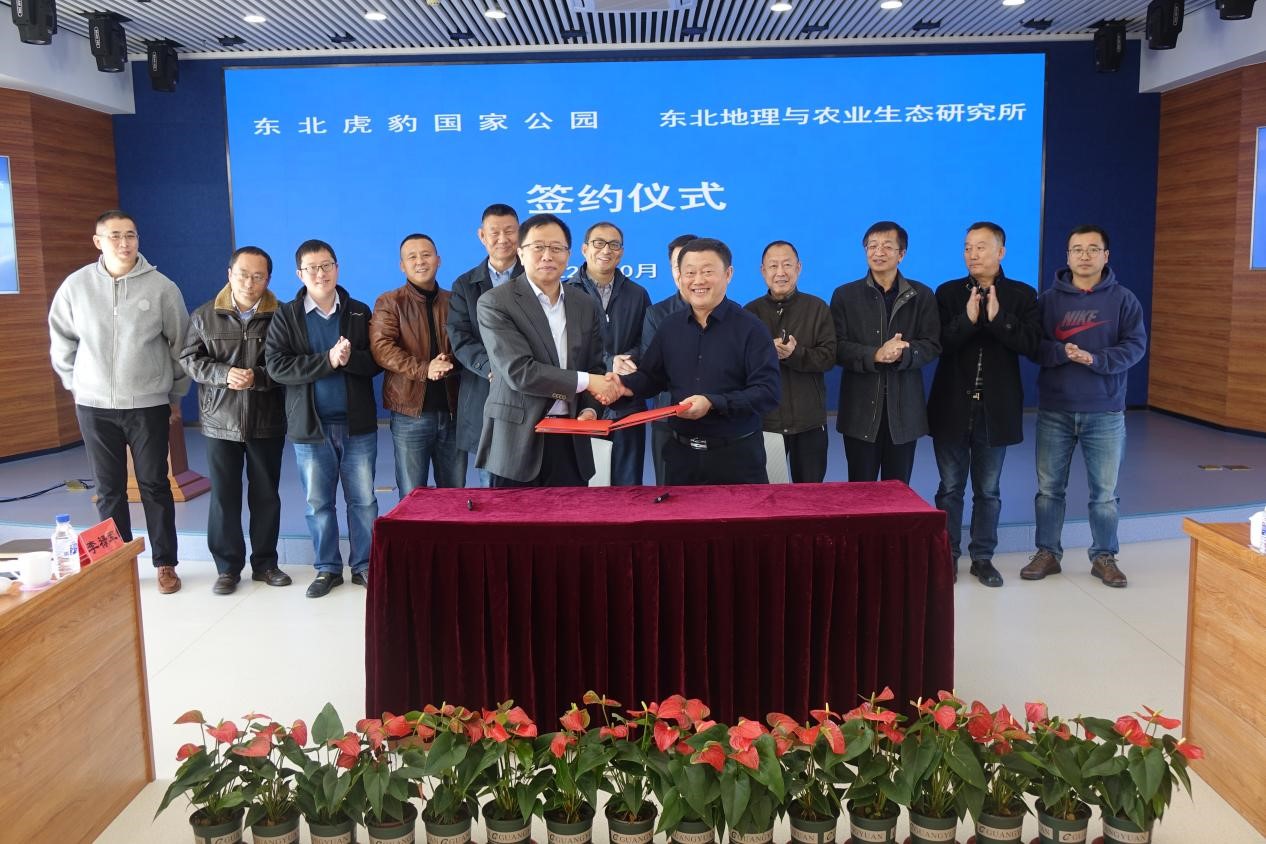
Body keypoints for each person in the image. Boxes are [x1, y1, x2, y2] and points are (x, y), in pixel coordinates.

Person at [48, 210, 189, 594]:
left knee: (154, 485)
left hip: (147, 404)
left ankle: (165, 564)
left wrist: (175, 394)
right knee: (109, 489)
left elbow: (181, 345)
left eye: (131, 235)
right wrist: (75, 384)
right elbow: (61, 339)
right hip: (94, 406)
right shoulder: (76, 286)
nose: (124, 243)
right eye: (115, 236)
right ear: (98, 241)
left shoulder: (162, 287)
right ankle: (117, 565)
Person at [1021, 225, 1147, 588]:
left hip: (1105, 411)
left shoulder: (1124, 299)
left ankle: (1104, 556)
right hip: (1055, 410)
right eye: (1077, 249)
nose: (1085, 256)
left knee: (1104, 494)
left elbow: (1135, 347)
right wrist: (1062, 352)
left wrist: (1096, 360)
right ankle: (1047, 553)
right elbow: (1034, 346)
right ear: (1067, 256)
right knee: (1049, 490)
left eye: (1093, 249)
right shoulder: (1048, 301)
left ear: (1106, 256)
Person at [265, 239, 382, 598]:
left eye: (326, 265)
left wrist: (349, 359)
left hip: (357, 426)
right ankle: (327, 568)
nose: (321, 273)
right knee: (318, 504)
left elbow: (376, 362)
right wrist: (327, 361)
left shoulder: (359, 311)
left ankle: (364, 565)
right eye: (312, 268)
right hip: (311, 428)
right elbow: (278, 367)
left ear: (337, 268)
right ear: (299, 274)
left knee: (363, 502)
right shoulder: (286, 315)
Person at [927, 223, 1041, 588]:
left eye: (981, 247)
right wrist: (968, 319)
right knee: (949, 488)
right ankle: (946, 555)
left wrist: (998, 318)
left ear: (1001, 252)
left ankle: (982, 558)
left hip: (996, 409)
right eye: (967, 247)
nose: (972, 254)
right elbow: (938, 344)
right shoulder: (947, 293)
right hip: (951, 407)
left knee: (988, 490)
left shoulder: (1022, 295)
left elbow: (1032, 345)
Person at [619, 237, 780, 485]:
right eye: (690, 273)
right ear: (679, 276)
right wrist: (623, 385)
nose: (698, 281)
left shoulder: (752, 328)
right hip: (681, 459)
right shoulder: (670, 327)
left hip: (737, 459)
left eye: (707, 272)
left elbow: (767, 392)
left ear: (728, 274)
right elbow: (651, 377)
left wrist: (713, 403)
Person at [474, 213, 619, 486]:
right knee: (513, 515)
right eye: (538, 247)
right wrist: (590, 381)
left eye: (556, 248)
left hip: (570, 439)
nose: (547, 256)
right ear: (521, 252)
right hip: (517, 442)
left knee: (570, 513)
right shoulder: (496, 303)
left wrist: (590, 410)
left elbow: (594, 366)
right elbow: (520, 372)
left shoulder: (585, 304)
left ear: (569, 254)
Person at [180, 246, 291, 594]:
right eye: (243, 274)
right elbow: (189, 359)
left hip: (267, 418)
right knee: (224, 497)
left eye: (258, 276)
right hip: (220, 421)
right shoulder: (204, 315)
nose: (249, 282)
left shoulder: (282, 316)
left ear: (268, 279)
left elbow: (289, 364)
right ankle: (227, 569)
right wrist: (224, 374)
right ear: (229, 274)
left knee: (266, 495)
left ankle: (266, 564)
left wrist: (258, 377)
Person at [831, 221, 940, 484]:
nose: (878, 252)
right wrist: (875, 355)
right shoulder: (845, 295)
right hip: (859, 413)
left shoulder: (922, 295)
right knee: (860, 491)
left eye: (887, 247)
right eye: (872, 246)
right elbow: (836, 347)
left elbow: (932, 344)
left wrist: (904, 353)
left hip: (904, 414)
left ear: (901, 254)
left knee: (898, 491)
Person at [370, 233, 461, 496]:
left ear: (438, 260)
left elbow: (468, 343)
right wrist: (424, 369)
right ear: (402, 265)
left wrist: (450, 362)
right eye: (412, 257)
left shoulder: (455, 300)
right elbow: (382, 348)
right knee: (412, 496)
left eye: (426, 255)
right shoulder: (390, 302)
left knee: (454, 494)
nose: (420, 261)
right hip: (410, 414)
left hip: (454, 412)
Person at [565, 221, 651, 486]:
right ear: (584, 249)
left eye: (614, 245)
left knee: (628, 488)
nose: (606, 250)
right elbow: (564, 346)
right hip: (581, 403)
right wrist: (609, 361)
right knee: (583, 489)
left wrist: (627, 361)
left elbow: (647, 342)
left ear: (621, 252)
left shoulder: (637, 294)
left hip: (627, 405)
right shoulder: (566, 292)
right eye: (598, 243)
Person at [744, 240, 836, 483]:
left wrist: (795, 355)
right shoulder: (749, 313)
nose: (780, 272)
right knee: (767, 493)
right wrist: (766, 353)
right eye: (773, 266)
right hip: (766, 421)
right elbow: (740, 365)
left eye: (787, 264)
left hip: (809, 421)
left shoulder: (817, 308)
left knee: (810, 494)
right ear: (763, 270)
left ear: (799, 268)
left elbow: (828, 357)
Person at [447, 204, 522, 487]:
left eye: (509, 231)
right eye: (494, 232)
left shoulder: (537, 278)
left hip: (529, 389)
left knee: (533, 488)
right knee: (490, 484)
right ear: (482, 236)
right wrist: (493, 368)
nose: (502, 239)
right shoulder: (465, 284)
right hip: (484, 389)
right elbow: (460, 337)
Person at [641, 233, 698, 485]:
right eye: (679, 265)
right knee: (668, 494)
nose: (687, 272)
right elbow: (652, 369)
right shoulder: (656, 314)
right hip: (668, 420)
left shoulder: (732, 313)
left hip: (716, 421)